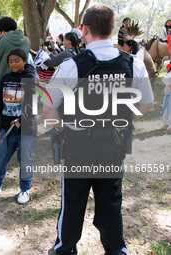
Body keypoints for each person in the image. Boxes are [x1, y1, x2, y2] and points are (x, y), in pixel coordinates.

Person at [43, 4, 154, 255]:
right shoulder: (132, 64)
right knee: (111, 202)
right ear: (113, 29)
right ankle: (116, 250)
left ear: (85, 31)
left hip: (78, 145)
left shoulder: (72, 65)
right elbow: (146, 103)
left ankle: (66, 248)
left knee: (72, 202)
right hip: (113, 146)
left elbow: (49, 107)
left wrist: (62, 128)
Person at [0, 48, 37, 204]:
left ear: (25, 61)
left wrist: (21, 120)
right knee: (0, 158)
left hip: (26, 129)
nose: (13, 64)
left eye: (17, 61)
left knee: (24, 160)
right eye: (10, 61)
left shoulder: (31, 78)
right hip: (7, 127)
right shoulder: (6, 78)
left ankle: (25, 189)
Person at [0, 17, 31, 95]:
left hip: (5, 80)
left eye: (0, 33)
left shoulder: (3, 41)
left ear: (4, 31)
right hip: (23, 79)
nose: (1, 35)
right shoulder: (26, 40)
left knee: (5, 105)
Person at [161, 65, 171, 131]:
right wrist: (169, 85)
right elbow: (164, 79)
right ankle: (166, 124)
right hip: (169, 94)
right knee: (166, 108)